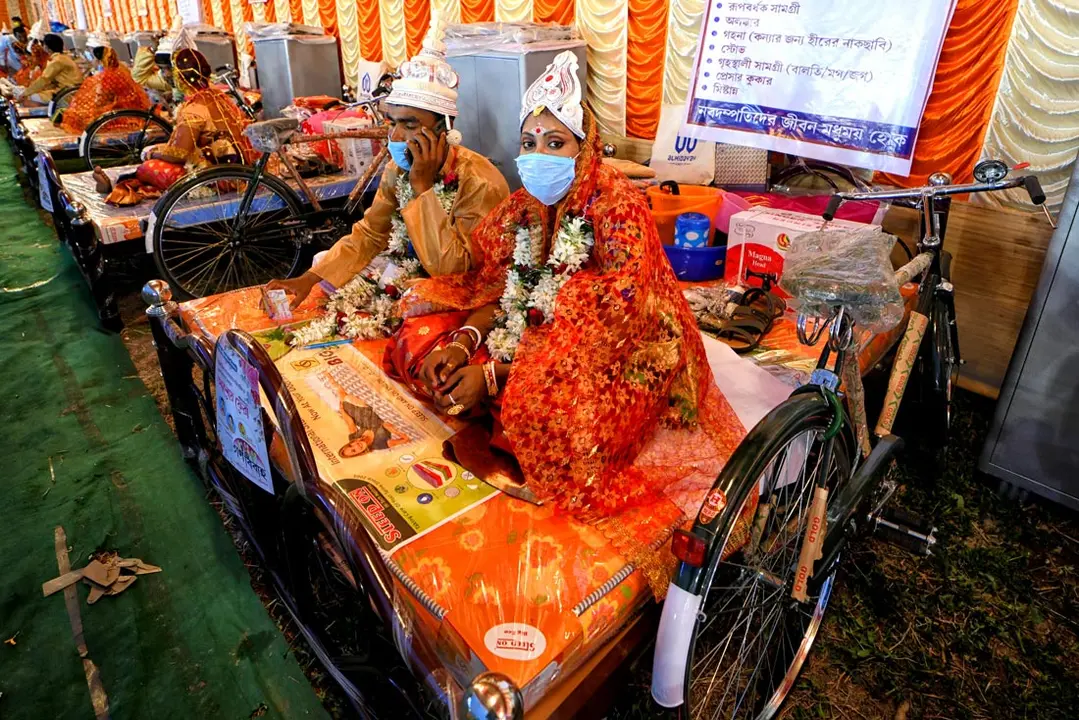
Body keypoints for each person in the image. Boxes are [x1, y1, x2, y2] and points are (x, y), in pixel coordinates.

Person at [391, 51, 745, 587]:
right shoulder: (526, 206)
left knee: (555, 415)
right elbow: (504, 290)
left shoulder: (617, 206)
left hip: (630, 357)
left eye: (555, 144)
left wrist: (493, 375)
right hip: (542, 344)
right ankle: (491, 399)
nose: (538, 157)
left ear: (585, 148)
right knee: (424, 335)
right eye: (529, 145)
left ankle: (502, 408)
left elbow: (605, 331)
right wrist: (464, 345)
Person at [266, 14, 509, 310]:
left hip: (463, 294)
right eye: (392, 122)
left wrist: (422, 189)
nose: (394, 135)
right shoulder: (399, 168)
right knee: (326, 268)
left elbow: (454, 271)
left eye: (408, 124)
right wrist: (311, 277)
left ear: (443, 129)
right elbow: (371, 232)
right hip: (409, 270)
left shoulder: (480, 181)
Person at [94, 46, 256, 201]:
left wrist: (152, 153)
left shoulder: (194, 108)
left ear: (180, 78)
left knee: (149, 167)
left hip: (219, 178)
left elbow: (179, 154)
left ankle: (118, 183)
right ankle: (120, 180)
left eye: (172, 72)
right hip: (241, 169)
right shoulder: (220, 97)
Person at [59, 34, 150, 134]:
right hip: (133, 110)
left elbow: (100, 101)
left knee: (77, 119)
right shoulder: (120, 67)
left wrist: (84, 111)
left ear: (96, 58)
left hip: (122, 115)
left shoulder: (107, 76)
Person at [17, 33, 82, 106]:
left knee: (31, 97)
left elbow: (44, 79)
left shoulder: (57, 61)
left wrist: (25, 93)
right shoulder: (63, 57)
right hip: (68, 90)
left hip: (67, 93)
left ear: (47, 48)